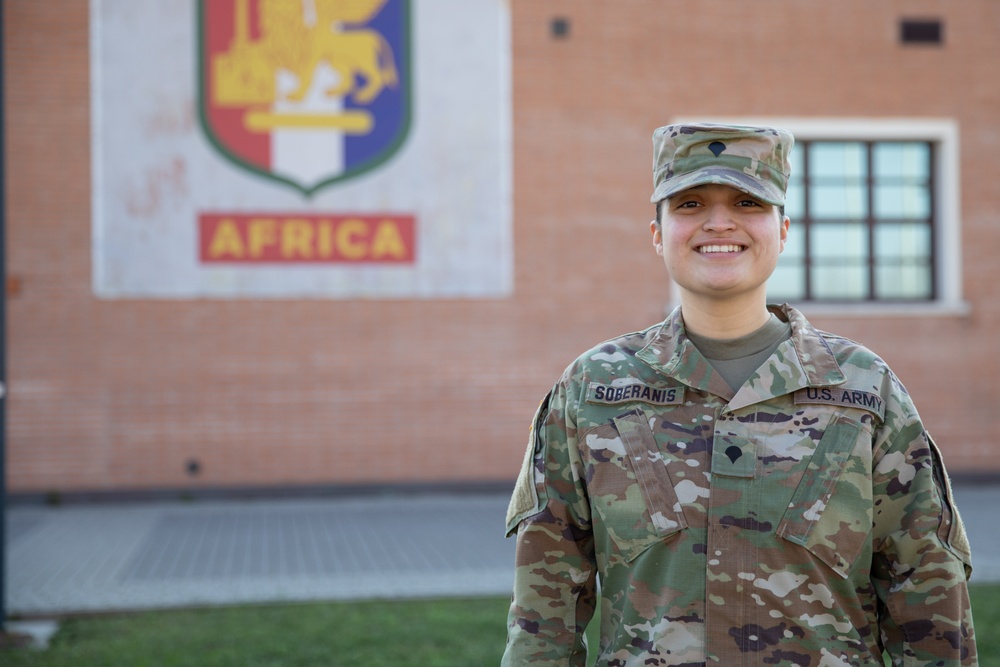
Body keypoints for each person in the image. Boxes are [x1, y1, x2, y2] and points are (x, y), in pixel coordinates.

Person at [501, 123, 977, 666]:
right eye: (690, 203)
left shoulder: (864, 388)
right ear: (657, 233)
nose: (719, 222)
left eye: (749, 202)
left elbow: (926, 594)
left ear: (784, 230)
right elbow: (544, 612)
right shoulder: (593, 390)